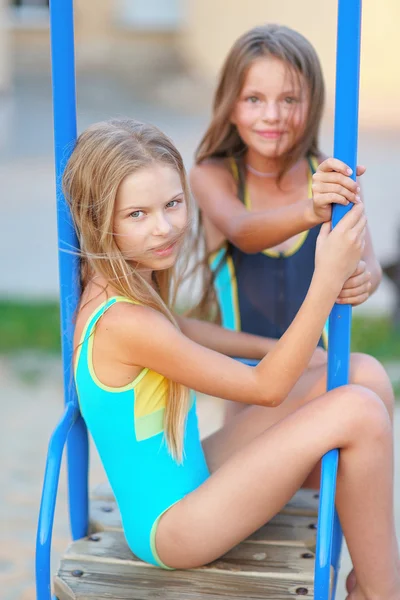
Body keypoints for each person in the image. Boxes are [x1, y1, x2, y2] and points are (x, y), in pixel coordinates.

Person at [65, 118, 398, 599]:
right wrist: (325, 280)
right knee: (359, 410)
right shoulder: (124, 324)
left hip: (191, 474)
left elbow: (182, 329)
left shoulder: (120, 278)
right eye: (136, 214)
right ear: (98, 219)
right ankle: (384, 590)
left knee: (361, 372)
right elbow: (266, 388)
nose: (163, 227)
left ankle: (370, 575)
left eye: (173, 204)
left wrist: (285, 352)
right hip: (175, 528)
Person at [189, 24, 383, 424]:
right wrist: (312, 210)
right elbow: (243, 231)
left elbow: (370, 266)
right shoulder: (213, 176)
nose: (272, 116)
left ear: (312, 104)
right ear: (231, 104)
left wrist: (364, 278)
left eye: (290, 99)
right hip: (249, 397)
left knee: (364, 395)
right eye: (254, 99)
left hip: (320, 384)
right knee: (367, 380)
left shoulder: (333, 177)